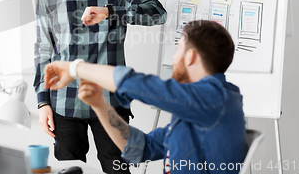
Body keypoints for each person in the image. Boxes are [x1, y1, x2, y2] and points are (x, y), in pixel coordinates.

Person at [33, 0, 167, 173]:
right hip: (64, 103)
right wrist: (42, 102)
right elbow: (43, 48)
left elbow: (157, 13)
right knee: (69, 172)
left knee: (118, 171)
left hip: (111, 103)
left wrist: (111, 12)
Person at [43, 20, 248, 173]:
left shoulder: (216, 99)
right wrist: (100, 105)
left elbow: (145, 86)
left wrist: (75, 68)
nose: (174, 58)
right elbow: (138, 148)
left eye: (178, 50)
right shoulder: (198, 108)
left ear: (190, 56)